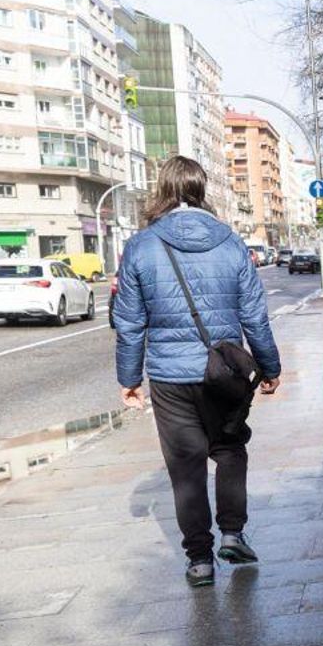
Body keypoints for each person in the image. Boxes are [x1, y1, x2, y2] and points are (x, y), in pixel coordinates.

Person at [114, 156, 282, 587]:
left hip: (170, 379)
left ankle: (200, 561)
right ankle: (232, 532)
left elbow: (130, 324)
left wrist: (129, 380)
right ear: (200, 189)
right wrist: (269, 367)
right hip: (223, 372)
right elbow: (255, 316)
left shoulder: (140, 246)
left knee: (185, 467)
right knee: (228, 449)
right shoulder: (229, 242)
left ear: (162, 191)